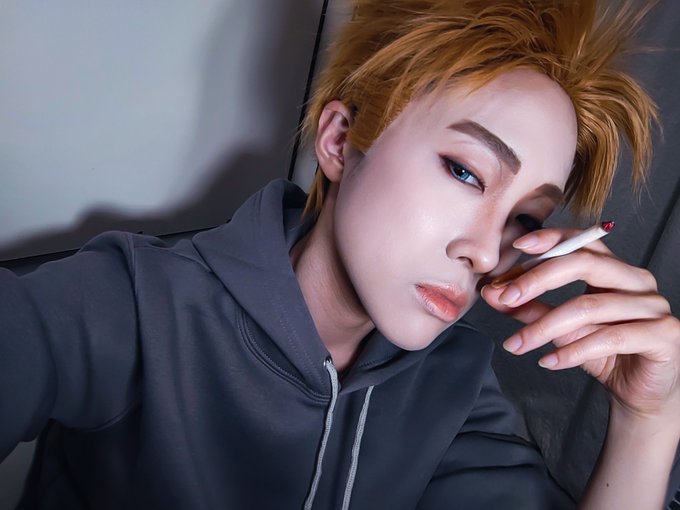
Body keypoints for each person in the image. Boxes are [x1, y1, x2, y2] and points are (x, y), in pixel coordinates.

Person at [1, 0, 679, 508]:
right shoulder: (132, 305)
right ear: (340, 140)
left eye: (525, 219)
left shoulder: (457, 388)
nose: (483, 252)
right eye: (466, 172)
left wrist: (648, 424)